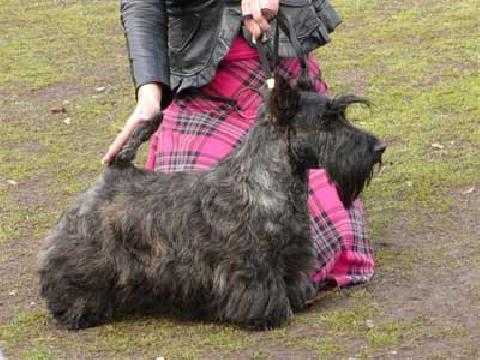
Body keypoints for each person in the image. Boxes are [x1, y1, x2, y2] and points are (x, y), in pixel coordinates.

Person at [103, 0, 374, 288]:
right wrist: (149, 94)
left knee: (314, 249)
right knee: (189, 239)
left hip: (281, 78)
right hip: (202, 85)